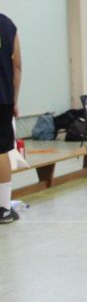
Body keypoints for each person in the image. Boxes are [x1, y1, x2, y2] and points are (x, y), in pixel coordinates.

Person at [0, 13, 22, 223]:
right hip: (3, 98)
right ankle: (4, 208)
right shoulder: (6, 24)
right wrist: (14, 100)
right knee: (1, 151)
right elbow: (17, 65)